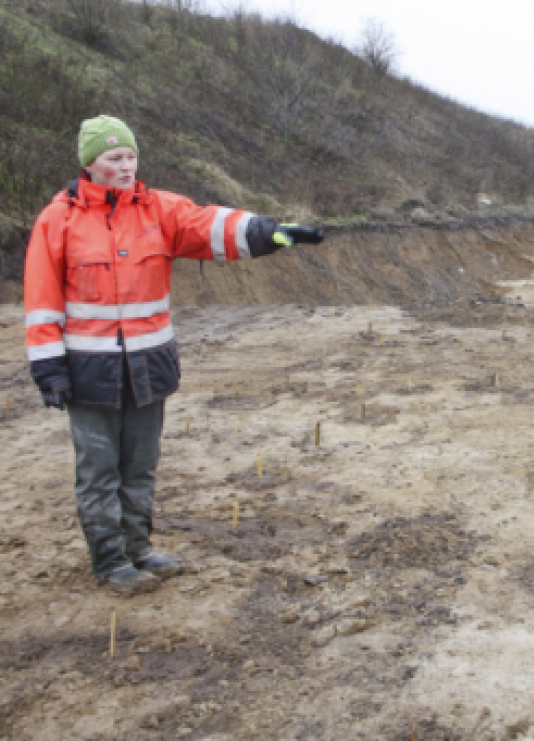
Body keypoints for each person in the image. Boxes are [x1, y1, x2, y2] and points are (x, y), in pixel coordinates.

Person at [23, 115, 323, 593]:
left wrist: (272, 232)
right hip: (88, 373)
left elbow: (212, 226)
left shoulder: (159, 210)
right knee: (99, 471)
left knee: (140, 465)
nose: (125, 166)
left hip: (147, 368)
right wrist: (48, 367)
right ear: (90, 163)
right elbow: (42, 300)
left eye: (130, 156)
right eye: (113, 158)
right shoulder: (57, 219)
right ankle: (110, 561)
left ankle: (139, 549)